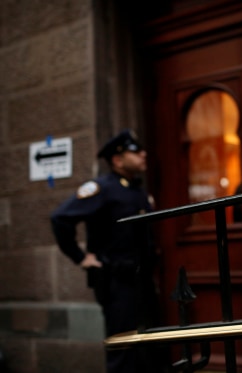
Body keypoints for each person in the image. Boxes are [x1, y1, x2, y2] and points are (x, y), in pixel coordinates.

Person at [50, 129, 164, 373]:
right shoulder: (102, 188)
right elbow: (60, 218)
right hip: (117, 281)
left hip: (143, 279)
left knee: (150, 347)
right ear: (117, 159)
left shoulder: (137, 190)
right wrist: (81, 258)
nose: (144, 154)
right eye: (136, 151)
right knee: (123, 348)